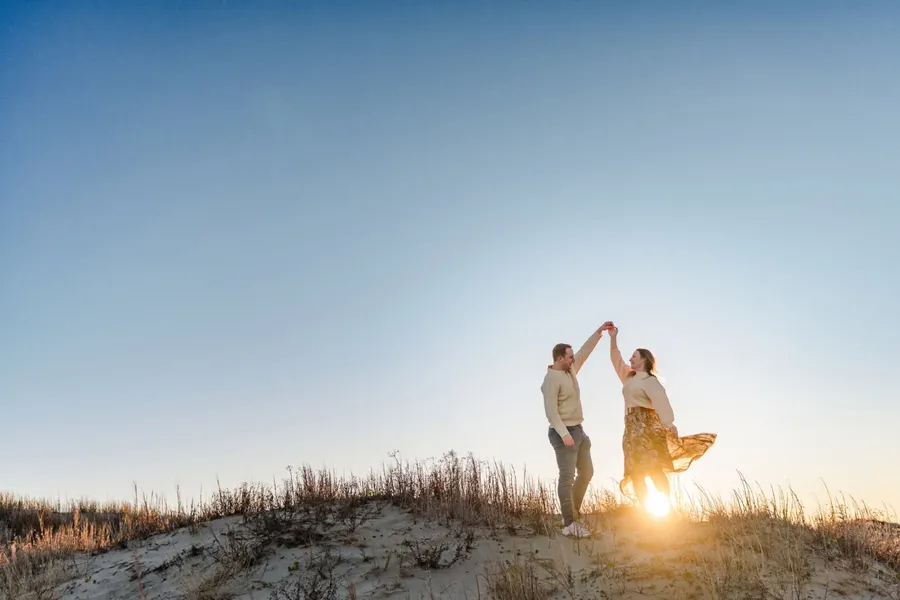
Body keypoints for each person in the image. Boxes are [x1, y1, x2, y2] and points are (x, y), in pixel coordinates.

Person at [606, 324, 716, 508]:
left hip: (649, 428)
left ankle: (666, 509)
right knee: (636, 472)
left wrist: (669, 424)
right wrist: (613, 337)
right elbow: (615, 359)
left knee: (655, 469)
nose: (630, 358)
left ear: (644, 360)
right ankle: (645, 510)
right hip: (631, 429)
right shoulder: (629, 377)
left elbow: (661, 402)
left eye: (634, 356)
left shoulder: (651, 381)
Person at [541, 321, 612, 537]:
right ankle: (569, 525)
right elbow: (551, 411)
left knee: (587, 472)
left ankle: (572, 512)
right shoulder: (551, 379)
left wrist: (599, 333)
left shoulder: (570, 369)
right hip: (563, 433)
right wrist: (564, 434)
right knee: (567, 476)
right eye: (569, 357)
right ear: (559, 358)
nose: (573, 359)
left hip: (579, 430)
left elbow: (584, 352)